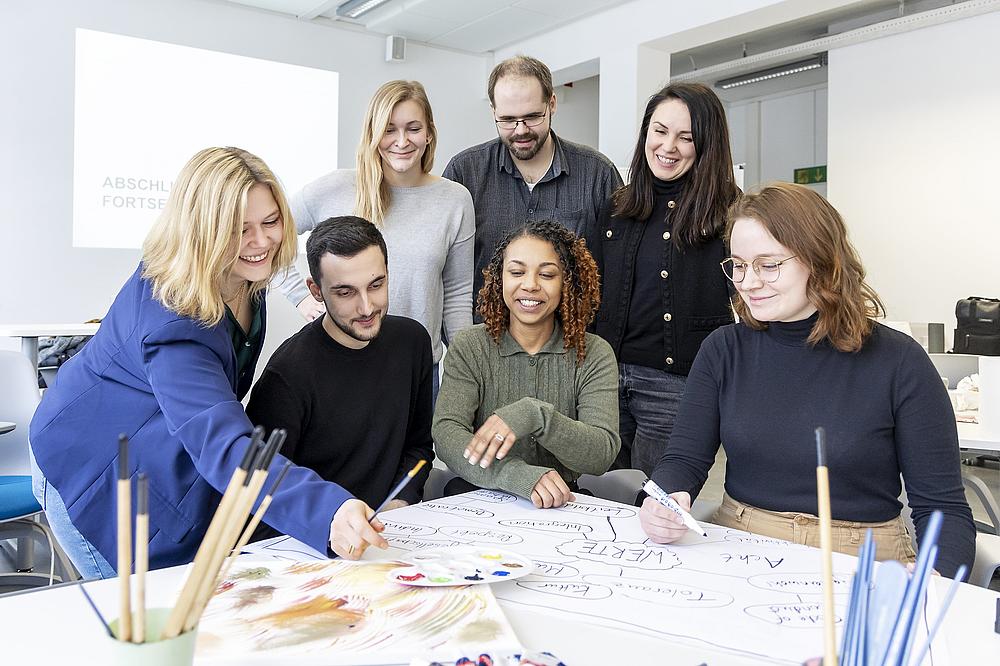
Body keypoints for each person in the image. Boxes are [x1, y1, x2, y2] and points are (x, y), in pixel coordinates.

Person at [28, 147, 388, 578]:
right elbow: (224, 444)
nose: (261, 242)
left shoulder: (243, 275)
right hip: (88, 463)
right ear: (204, 230)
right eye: (240, 230)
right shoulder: (173, 318)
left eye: (271, 222)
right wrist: (326, 510)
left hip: (157, 452)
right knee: (142, 611)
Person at [639, 183, 975, 577]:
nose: (747, 282)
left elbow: (943, 508)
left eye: (768, 265)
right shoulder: (723, 349)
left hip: (862, 557)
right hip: (743, 546)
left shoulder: (900, 361)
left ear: (820, 260)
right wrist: (664, 499)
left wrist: (935, 575)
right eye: (738, 265)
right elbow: (684, 460)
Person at [275, 80, 474, 396]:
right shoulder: (333, 188)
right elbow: (268, 239)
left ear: (429, 133)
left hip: (418, 372)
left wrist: (466, 369)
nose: (402, 141)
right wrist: (300, 297)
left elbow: (458, 293)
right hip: (341, 365)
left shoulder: (454, 199)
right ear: (373, 134)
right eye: (389, 130)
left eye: (413, 128)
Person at [246, 216, 433, 541]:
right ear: (316, 291)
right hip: (310, 543)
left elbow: (417, 447)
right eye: (346, 292)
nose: (367, 307)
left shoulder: (412, 341)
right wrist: (332, 530)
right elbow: (262, 496)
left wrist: (399, 503)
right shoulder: (288, 374)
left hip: (390, 533)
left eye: (376, 285)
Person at [593, 83, 740, 476]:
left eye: (686, 137)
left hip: (675, 386)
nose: (668, 146)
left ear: (707, 144)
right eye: (659, 131)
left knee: (655, 498)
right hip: (605, 380)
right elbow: (592, 291)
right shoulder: (618, 205)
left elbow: (747, 298)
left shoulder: (729, 210)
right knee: (600, 496)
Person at [433, 220, 620, 508]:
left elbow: (601, 454)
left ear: (567, 282)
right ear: (500, 278)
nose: (530, 285)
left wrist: (536, 416)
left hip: (560, 503)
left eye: (547, 274)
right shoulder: (470, 346)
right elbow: (447, 434)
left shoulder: (594, 353)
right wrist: (517, 476)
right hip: (479, 497)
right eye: (517, 272)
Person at [442, 55, 622, 312]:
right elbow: (447, 274)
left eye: (532, 117)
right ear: (493, 111)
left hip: (572, 331)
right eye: (507, 120)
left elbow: (618, 269)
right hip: (485, 332)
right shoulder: (465, 172)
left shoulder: (597, 174)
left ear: (552, 104)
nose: (520, 130)